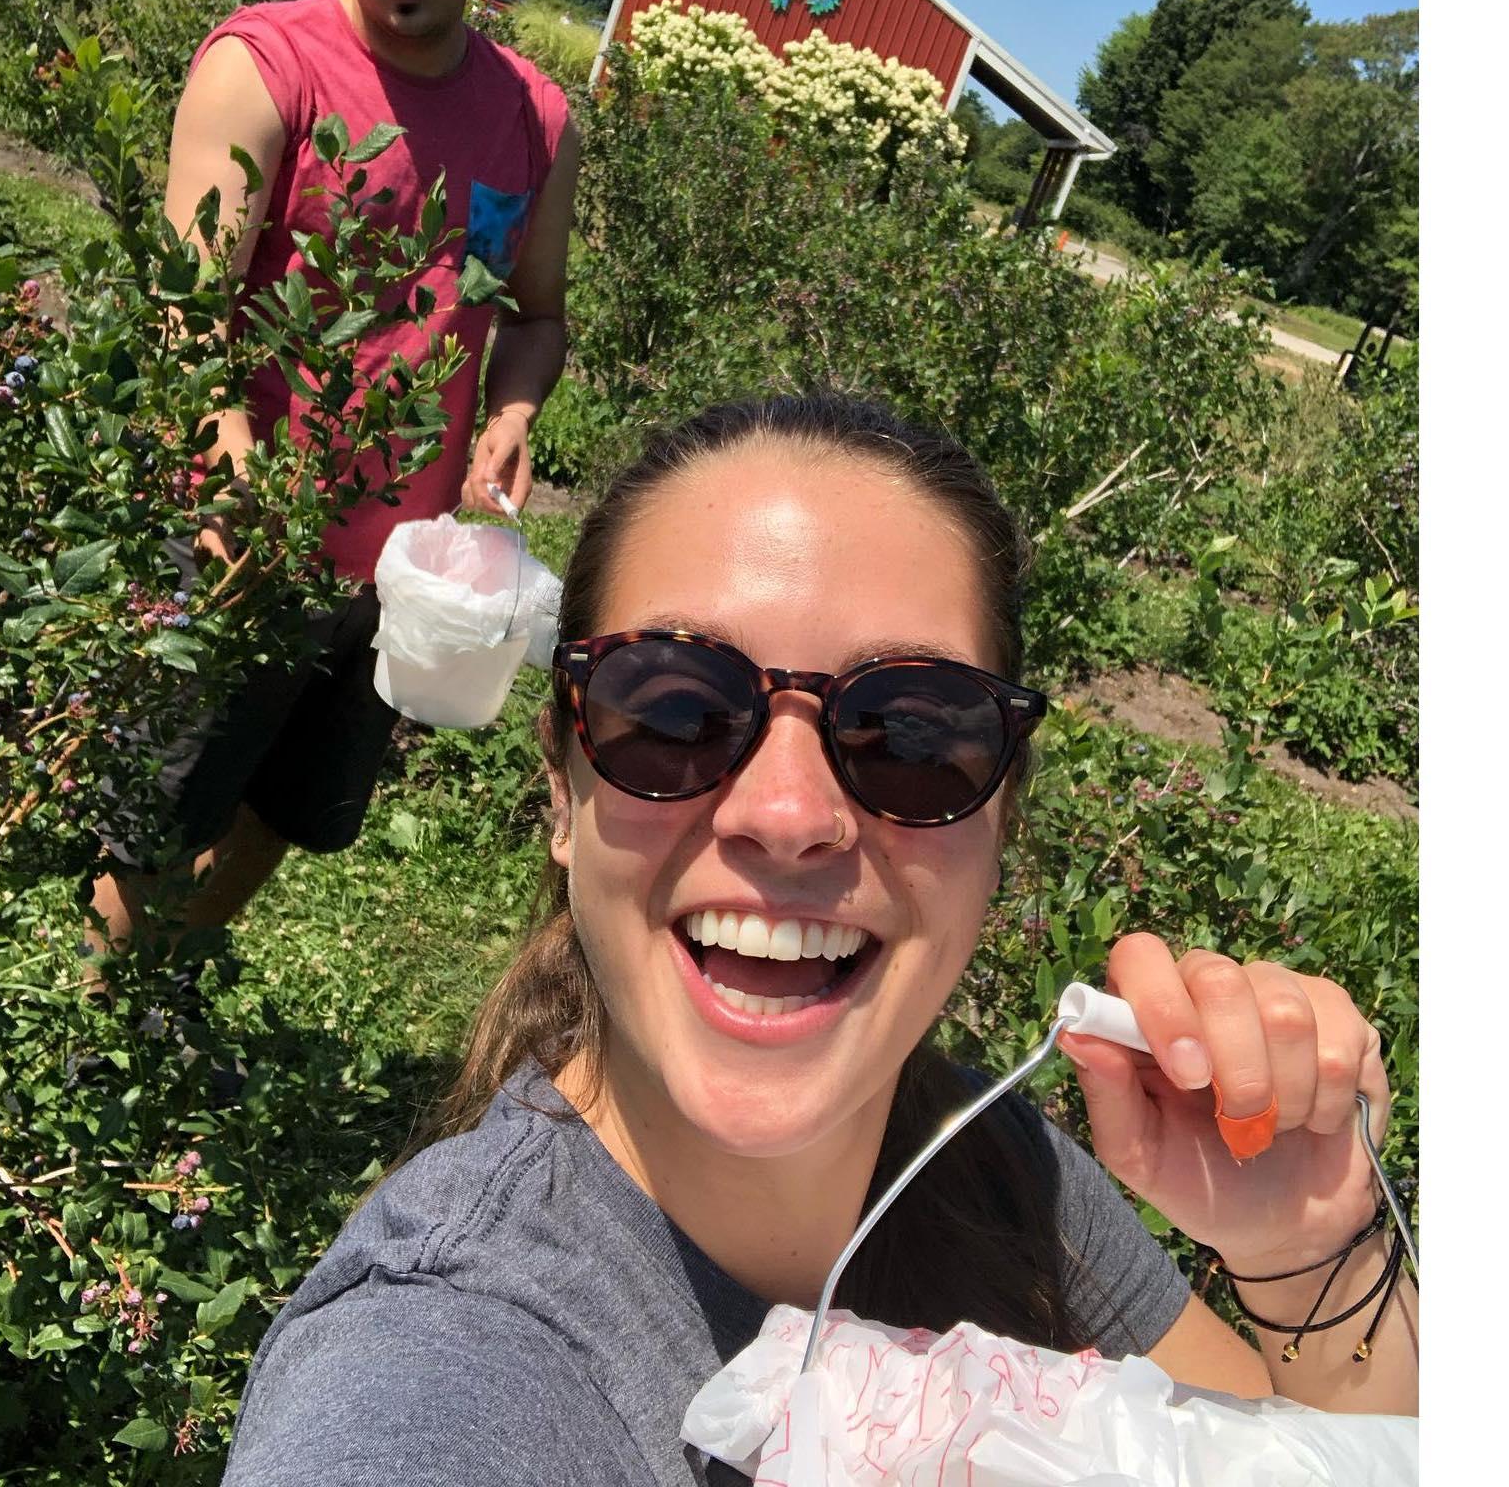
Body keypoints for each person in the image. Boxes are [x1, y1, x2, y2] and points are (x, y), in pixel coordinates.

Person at [220, 395, 1418, 1486]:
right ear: (562, 794)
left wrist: (1312, 1249)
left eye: (910, 732)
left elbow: (1305, 1447)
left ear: (1001, 813)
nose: (786, 816)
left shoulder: (988, 1155)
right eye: (675, 710)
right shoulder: (443, 1366)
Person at [87, 0, 579, 957]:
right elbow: (187, 309)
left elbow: (538, 315)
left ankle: (176, 972)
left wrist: (510, 411)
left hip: (398, 566)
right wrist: (231, 476)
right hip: (241, 525)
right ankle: (103, 1022)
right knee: (158, 809)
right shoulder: (265, 66)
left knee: (304, 807)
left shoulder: (537, 120)